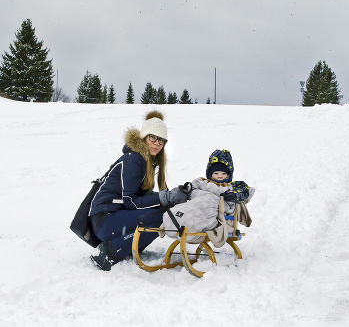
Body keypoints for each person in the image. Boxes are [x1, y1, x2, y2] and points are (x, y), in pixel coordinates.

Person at [89, 110, 188, 271]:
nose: (157, 143)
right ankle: (112, 251)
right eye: (153, 137)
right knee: (162, 216)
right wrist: (166, 197)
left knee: (164, 212)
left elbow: (141, 198)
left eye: (161, 140)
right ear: (144, 137)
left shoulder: (146, 161)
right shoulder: (134, 159)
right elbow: (131, 203)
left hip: (114, 218)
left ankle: (129, 245)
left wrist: (170, 198)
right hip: (104, 220)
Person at [162, 149, 255, 246]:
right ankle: (174, 219)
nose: (220, 176)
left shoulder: (232, 187)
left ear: (229, 174)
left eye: (223, 174)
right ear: (210, 174)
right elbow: (192, 191)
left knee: (204, 207)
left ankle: (187, 225)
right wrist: (188, 191)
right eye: (216, 173)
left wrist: (234, 195)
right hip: (197, 205)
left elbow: (245, 192)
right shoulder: (203, 183)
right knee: (188, 209)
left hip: (216, 213)